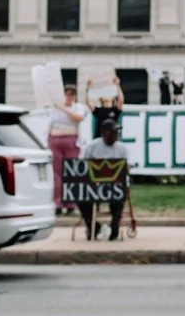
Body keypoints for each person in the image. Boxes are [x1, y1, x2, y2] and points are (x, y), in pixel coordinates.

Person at [78, 118, 130, 241]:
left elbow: (128, 166)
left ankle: (115, 226)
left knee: (118, 198)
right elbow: (80, 164)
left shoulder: (122, 148)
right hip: (95, 186)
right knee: (81, 199)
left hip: (116, 186)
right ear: (104, 133)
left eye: (116, 132)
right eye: (112, 132)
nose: (116, 135)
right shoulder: (91, 146)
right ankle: (93, 226)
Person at [46, 84, 86, 213]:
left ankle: (70, 203)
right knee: (56, 173)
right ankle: (57, 202)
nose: (69, 97)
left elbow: (78, 118)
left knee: (71, 171)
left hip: (71, 140)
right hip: (55, 140)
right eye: (67, 94)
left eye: (71, 95)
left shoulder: (78, 107)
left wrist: (63, 108)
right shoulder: (54, 109)